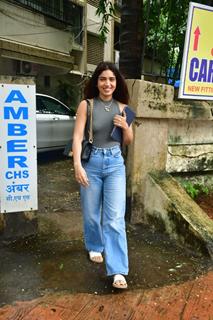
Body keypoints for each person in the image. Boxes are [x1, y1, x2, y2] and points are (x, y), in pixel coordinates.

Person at [72, 61, 133, 289]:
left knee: (115, 217)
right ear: (96, 82)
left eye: (111, 79)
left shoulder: (123, 107)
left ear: (117, 83)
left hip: (115, 163)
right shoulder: (86, 105)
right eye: (102, 79)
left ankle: (118, 270)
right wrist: (77, 164)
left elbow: (128, 141)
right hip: (92, 163)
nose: (107, 83)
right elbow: (77, 137)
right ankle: (95, 245)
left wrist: (125, 127)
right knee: (90, 213)